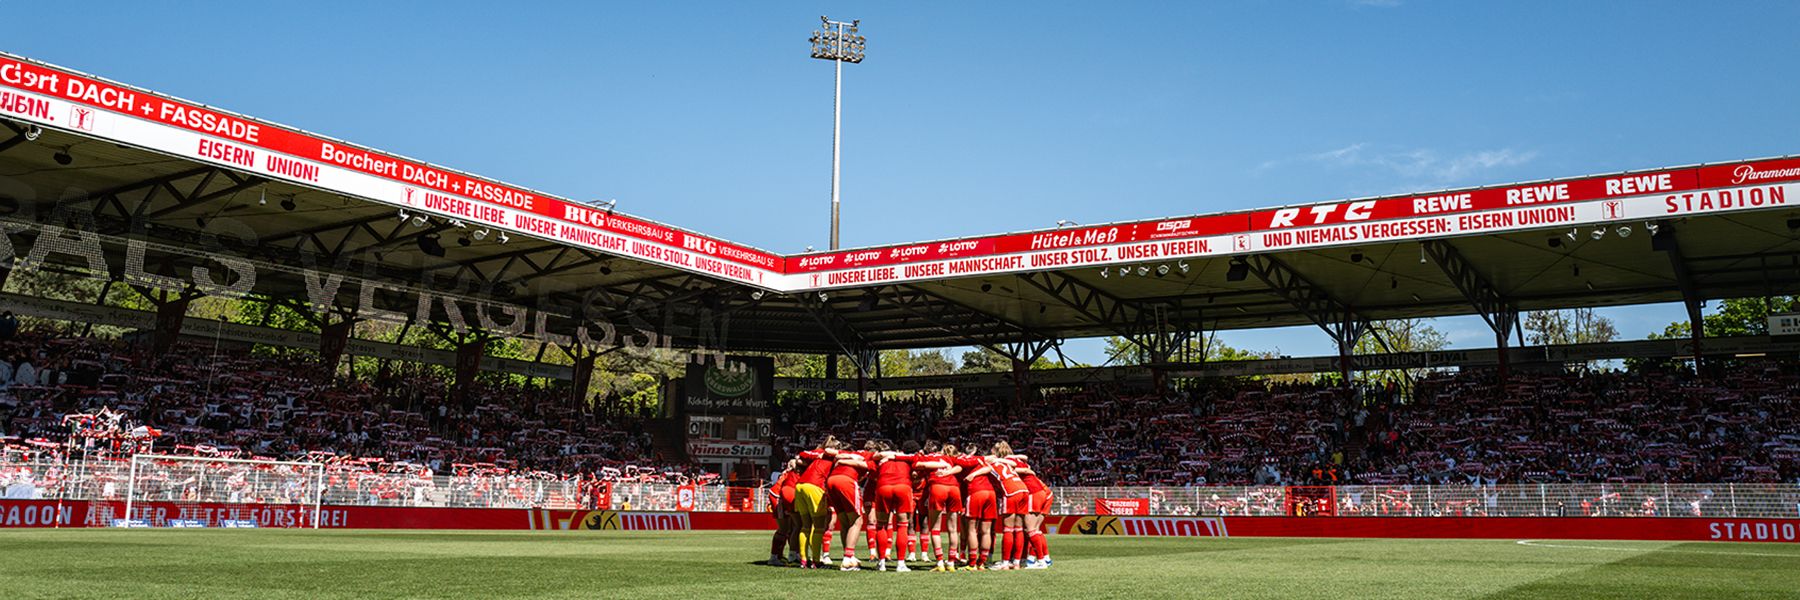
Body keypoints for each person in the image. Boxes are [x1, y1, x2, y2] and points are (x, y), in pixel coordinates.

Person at [792, 437, 839, 569]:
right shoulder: (833, 456)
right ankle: (816, 561)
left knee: (805, 526)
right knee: (818, 527)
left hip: (800, 486)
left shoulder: (817, 454)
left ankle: (803, 560)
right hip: (815, 486)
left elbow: (801, 454)